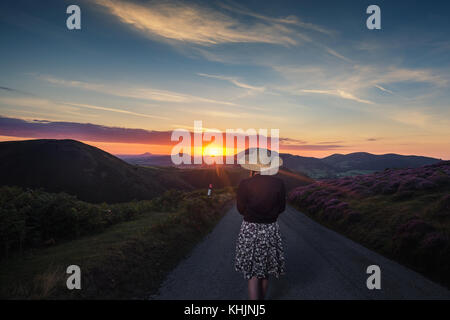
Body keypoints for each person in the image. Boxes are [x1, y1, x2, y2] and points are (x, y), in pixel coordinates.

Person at [234, 148, 286, 300]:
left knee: (253, 273)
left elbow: (240, 209)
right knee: (265, 271)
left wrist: (253, 215)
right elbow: (281, 208)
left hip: (249, 229)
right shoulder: (279, 183)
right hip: (270, 229)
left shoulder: (245, 183)